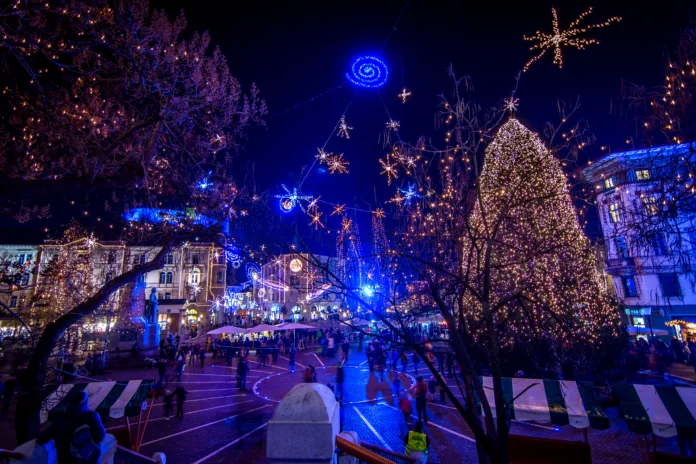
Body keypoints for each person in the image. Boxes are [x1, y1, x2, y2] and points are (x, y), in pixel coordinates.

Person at [37, 390, 106, 464]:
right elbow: (100, 436)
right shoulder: (91, 416)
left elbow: (41, 439)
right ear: (85, 403)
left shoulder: (59, 419)